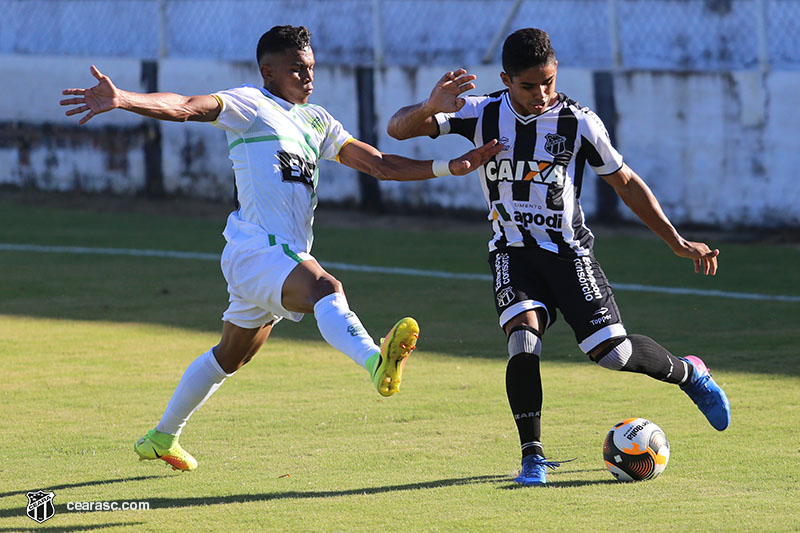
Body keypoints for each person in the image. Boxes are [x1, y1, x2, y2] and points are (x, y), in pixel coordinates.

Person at [60, 25, 501, 472]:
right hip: (257, 248)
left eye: (310, 67)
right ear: (268, 72)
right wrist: (125, 99)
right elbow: (187, 107)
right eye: (296, 69)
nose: (308, 77)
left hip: (276, 256)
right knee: (326, 288)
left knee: (232, 355)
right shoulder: (251, 104)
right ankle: (376, 362)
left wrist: (450, 166)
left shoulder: (317, 120)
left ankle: (161, 437)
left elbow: (378, 164)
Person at [386, 28, 730, 486]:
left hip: (568, 254)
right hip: (512, 251)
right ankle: (533, 457)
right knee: (523, 342)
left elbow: (625, 182)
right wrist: (430, 107)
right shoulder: (481, 112)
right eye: (529, 86)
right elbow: (397, 128)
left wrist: (675, 240)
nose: (541, 94)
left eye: (548, 81)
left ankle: (691, 374)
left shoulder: (579, 121)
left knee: (613, 353)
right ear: (506, 79)